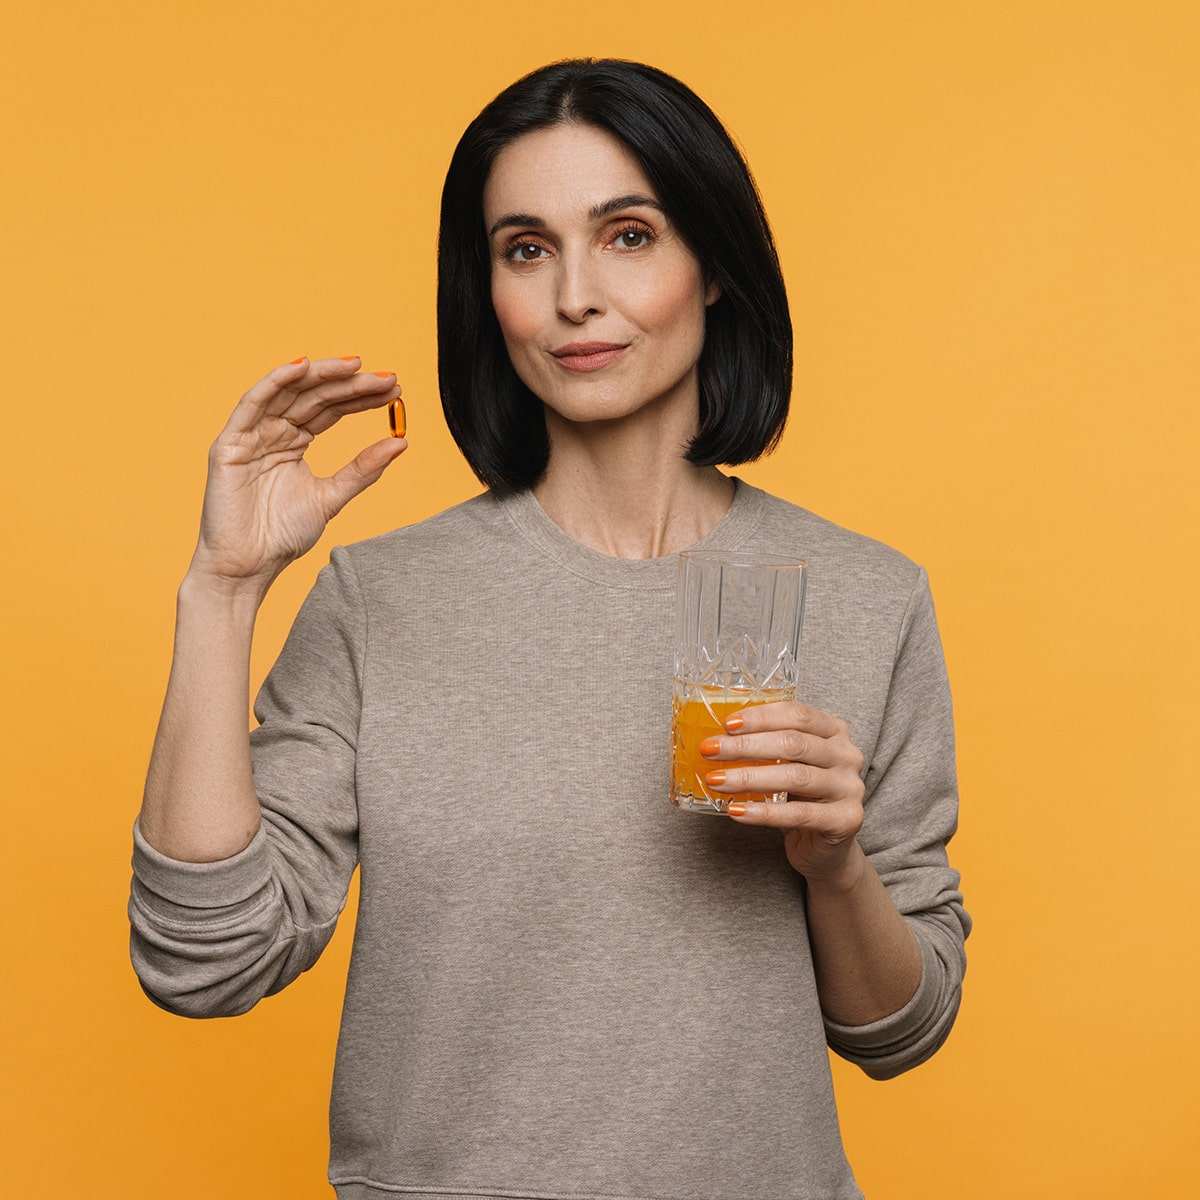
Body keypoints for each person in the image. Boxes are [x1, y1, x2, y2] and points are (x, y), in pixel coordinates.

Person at [128, 56, 971, 1200]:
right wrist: (222, 588)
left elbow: (899, 1032)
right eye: (527, 249)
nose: (576, 295)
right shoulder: (384, 601)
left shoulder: (866, 597)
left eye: (628, 235)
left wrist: (834, 867)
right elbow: (206, 961)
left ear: (712, 266)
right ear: (489, 290)